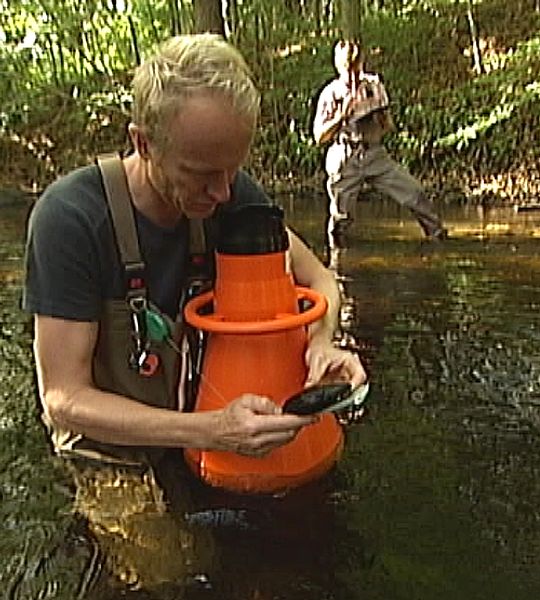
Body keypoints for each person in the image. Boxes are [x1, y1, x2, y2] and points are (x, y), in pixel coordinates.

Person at [22, 34, 366, 589]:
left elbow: (320, 279)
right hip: (113, 448)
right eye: (202, 173)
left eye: (234, 167)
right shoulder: (70, 221)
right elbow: (63, 400)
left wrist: (323, 341)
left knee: (315, 540)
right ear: (144, 143)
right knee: (178, 575)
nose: (225, 191)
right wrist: (211, 431)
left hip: (204, 424)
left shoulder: (230, 191)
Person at [313, 40, 447, 243]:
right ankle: (337, 260)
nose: (353, 77)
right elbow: (319, 136)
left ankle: (437, 236)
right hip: (344, 157)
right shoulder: (331, 94)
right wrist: (342, 115)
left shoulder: (373, 86)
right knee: (341, 218)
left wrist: (380, 114)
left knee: (414, 193)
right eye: (347, 71)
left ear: (362, 64)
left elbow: (388, 126)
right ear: (338, 67)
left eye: (356, 70)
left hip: (374, 154)